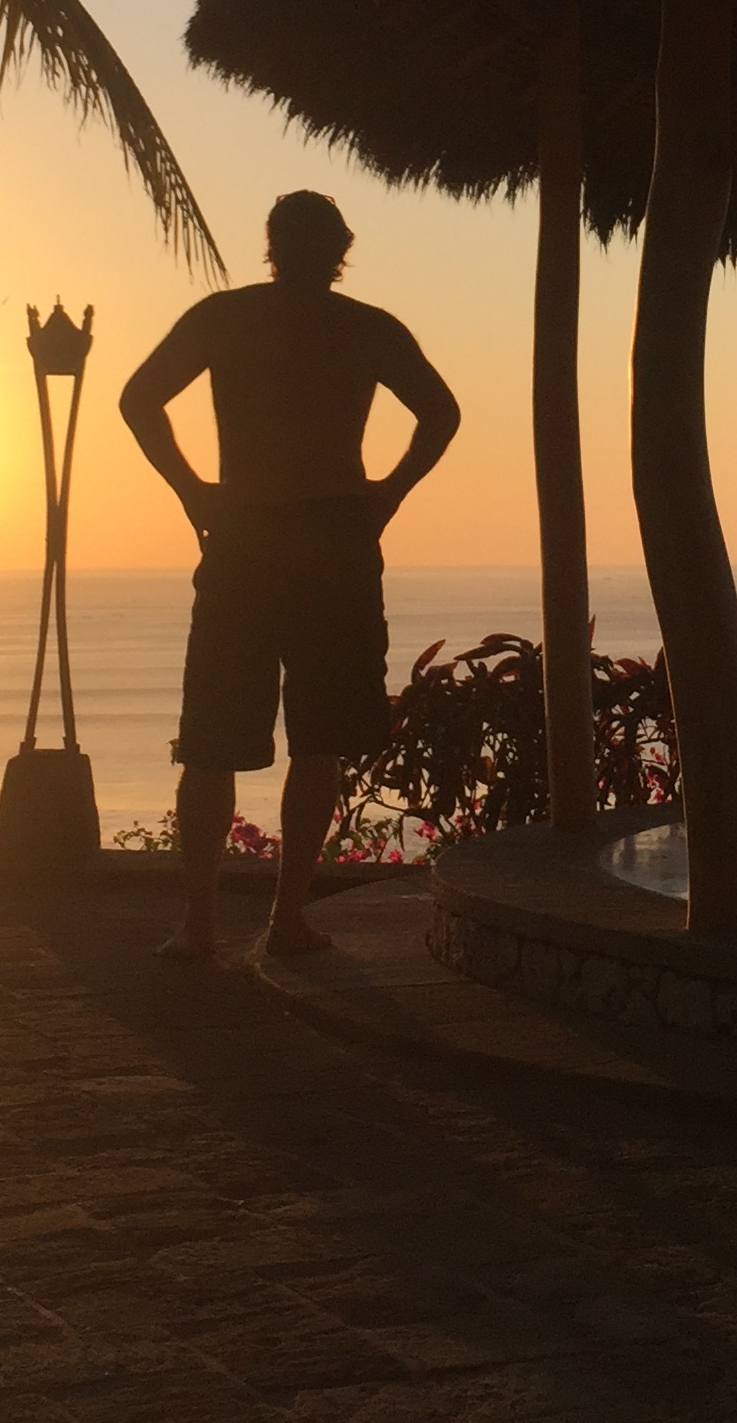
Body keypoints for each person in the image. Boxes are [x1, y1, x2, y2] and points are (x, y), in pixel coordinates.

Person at [119, 191, 459, 959]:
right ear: (341, 249)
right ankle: (281, 919)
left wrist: (193, 491)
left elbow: (139, 399)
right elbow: (441, 413)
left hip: (253, 534)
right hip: (328, 538)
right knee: (309, 740)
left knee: (224, 742)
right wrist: (387, 495)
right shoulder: (365, 327)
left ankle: (206, 923)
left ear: (272, 245)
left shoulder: (227, 317)